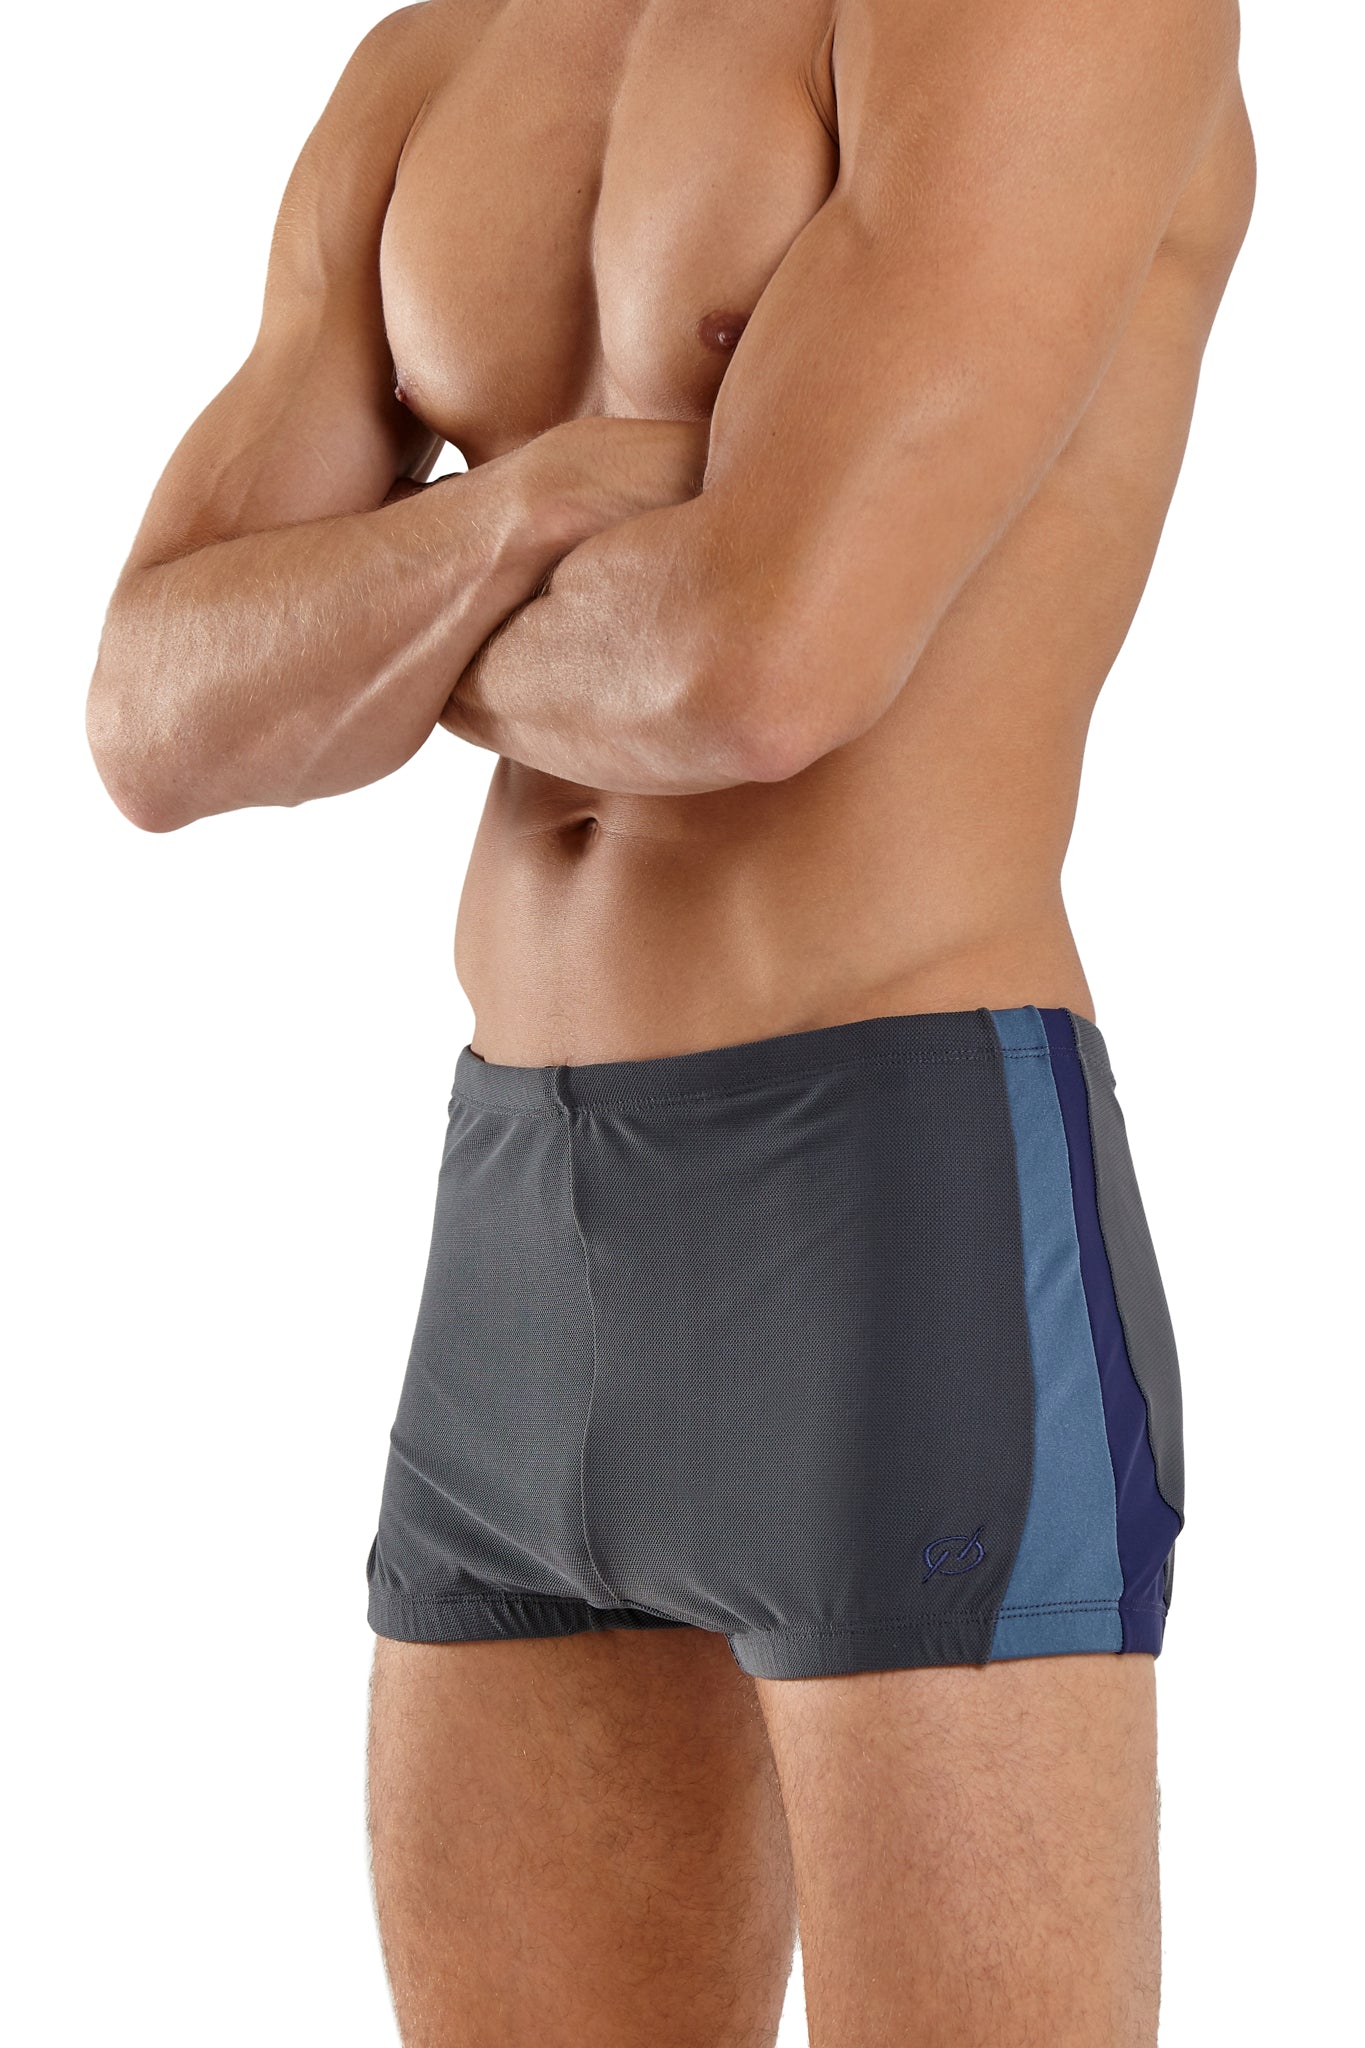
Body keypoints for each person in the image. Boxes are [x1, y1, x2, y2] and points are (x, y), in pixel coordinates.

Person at [86, 0, 1255, 2039]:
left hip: (891, 1199)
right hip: (516, 1221)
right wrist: (516, 517)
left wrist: (372, 627)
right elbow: (154, 715)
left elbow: (757, 667)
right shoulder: (438, 60)